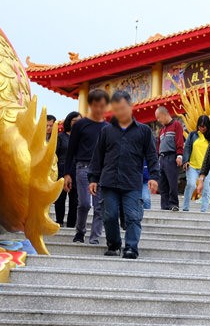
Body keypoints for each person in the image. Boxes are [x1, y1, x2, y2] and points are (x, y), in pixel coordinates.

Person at [88, 90, 159, 259]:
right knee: (110, 215)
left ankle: (131, 248)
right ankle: (113, 245)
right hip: (109, 181)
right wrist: (93, 179)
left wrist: (155, 177)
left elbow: (151, 156)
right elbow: (97, 156)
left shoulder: (144, 131)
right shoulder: (106, 131)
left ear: (130, 107)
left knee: (133, 216)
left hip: (132, 182)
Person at [64, 89, 110, 244]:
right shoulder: (80, 125)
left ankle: (95, 237)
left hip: (102, 171)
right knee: (84, 203)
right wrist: (67, 174)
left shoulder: (107, 127)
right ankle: (80, 231)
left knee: (99, 206)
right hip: (83, 168)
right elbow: (70, 151)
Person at [154, 106, 184, 211]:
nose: (158, 120)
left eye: (158, 117)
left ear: (164, 114)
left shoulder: (176, 125)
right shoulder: (162, 130)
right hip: (161, 159)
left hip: (172, 157)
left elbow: (180, 140)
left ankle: (173, 204)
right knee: (162, 184)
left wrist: (179, 155)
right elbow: (159, 146)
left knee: (172, 182)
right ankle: (165, 205)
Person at [182, 114, 210, 212]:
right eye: (199, 126)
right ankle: (185, 207)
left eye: (203, 126)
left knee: (206, 190)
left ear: (208, 126)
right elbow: (187, 148)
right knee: (191, 184)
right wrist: (185, 161)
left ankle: (204, 211)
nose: (201, 128)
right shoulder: (192, 135)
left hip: (206, 169)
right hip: (193, 166)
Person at [59, 111, 81, 229]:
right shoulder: (61, 137)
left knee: (75, 199)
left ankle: (71, 224)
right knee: (61, 197)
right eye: (75, 121)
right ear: (69, 122)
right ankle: (59, 222)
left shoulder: (83, 138)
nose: (77, 124)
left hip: (78, 170)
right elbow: (54, 154)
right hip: (62, 169)